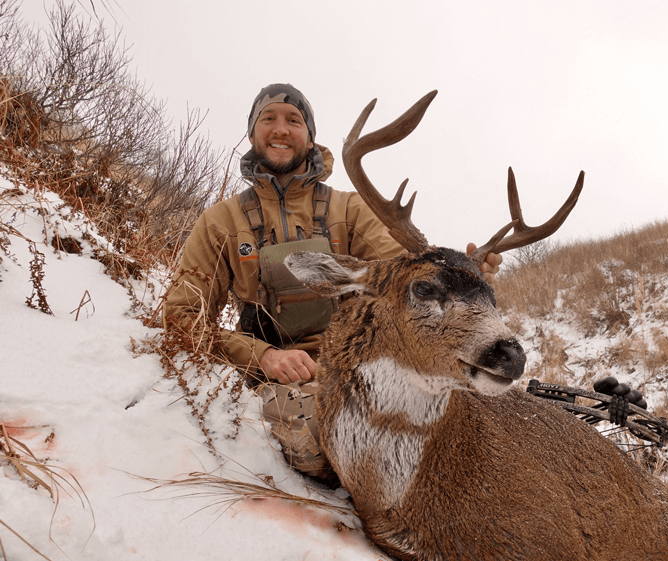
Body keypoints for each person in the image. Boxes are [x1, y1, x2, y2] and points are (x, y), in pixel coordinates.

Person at [164, 84, 502, 480]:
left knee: (474, 428)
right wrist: (262, 357)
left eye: (294, 120)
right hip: (282, 377)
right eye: (268, 119)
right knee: (323, 439)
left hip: (362, 364)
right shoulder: (221, 221)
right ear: (252, 133)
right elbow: (182, 317)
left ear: (310, 138)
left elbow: (407, 275)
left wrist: (465, 274)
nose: (280, 129)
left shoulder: (348, 208)